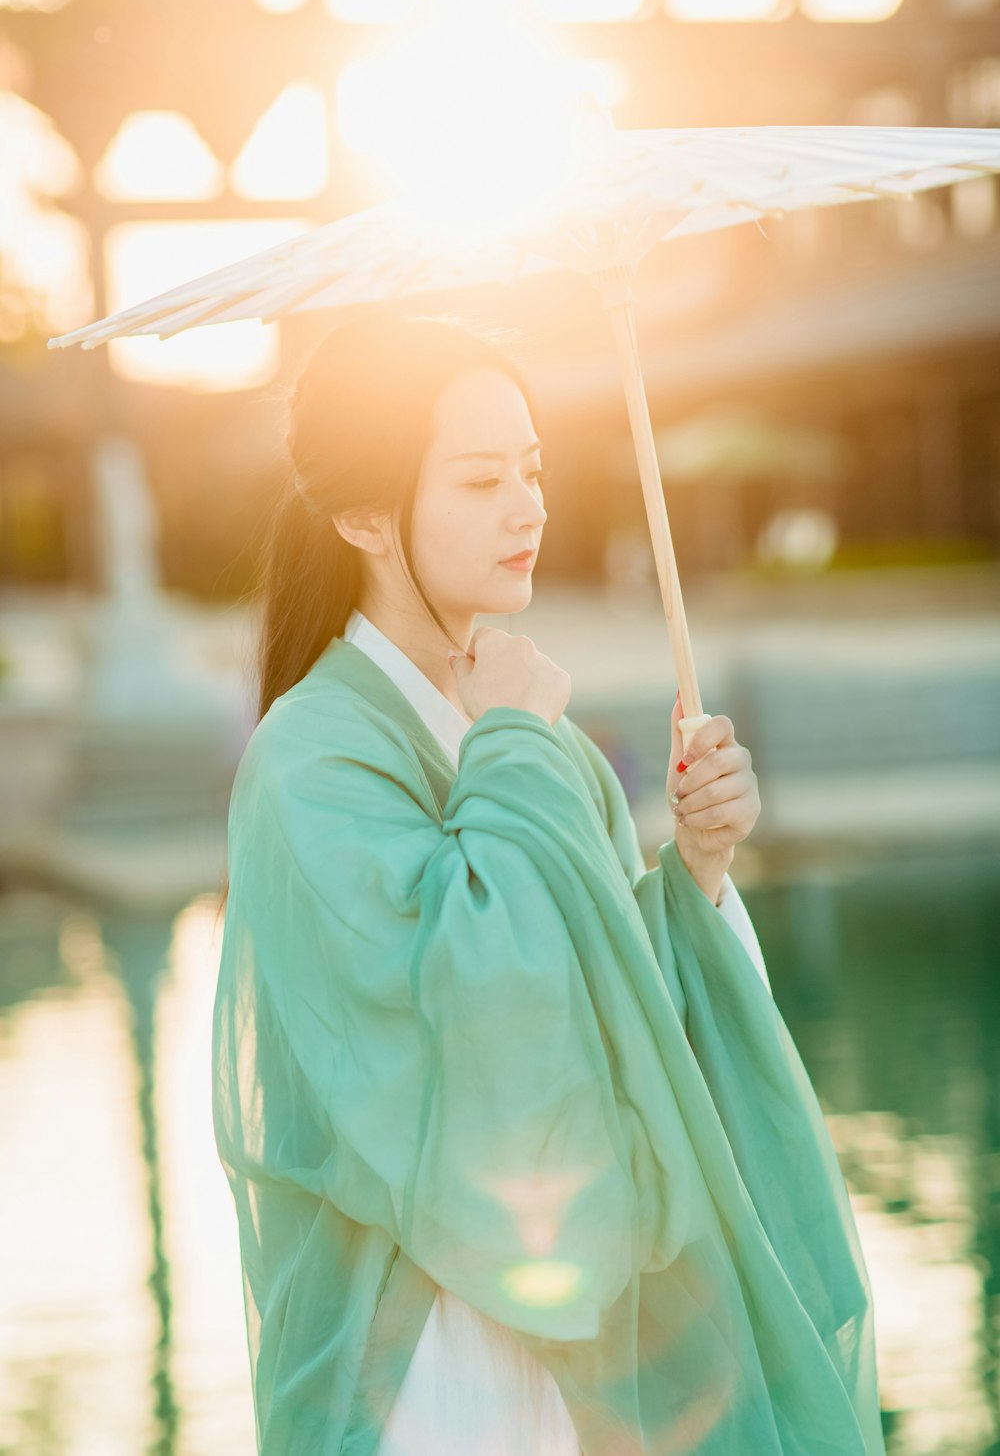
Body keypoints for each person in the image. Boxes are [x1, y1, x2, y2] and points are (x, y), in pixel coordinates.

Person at [211, 309, 887, 1456]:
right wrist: (512, 748)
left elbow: (630, 1027)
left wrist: (698, 877)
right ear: (364, 511)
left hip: (602, 1364)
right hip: (428, 1363)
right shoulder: (307, 761)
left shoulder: (544, 741)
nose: (528, 507)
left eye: (531, 468)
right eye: (479, 480)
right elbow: (480, 1041)